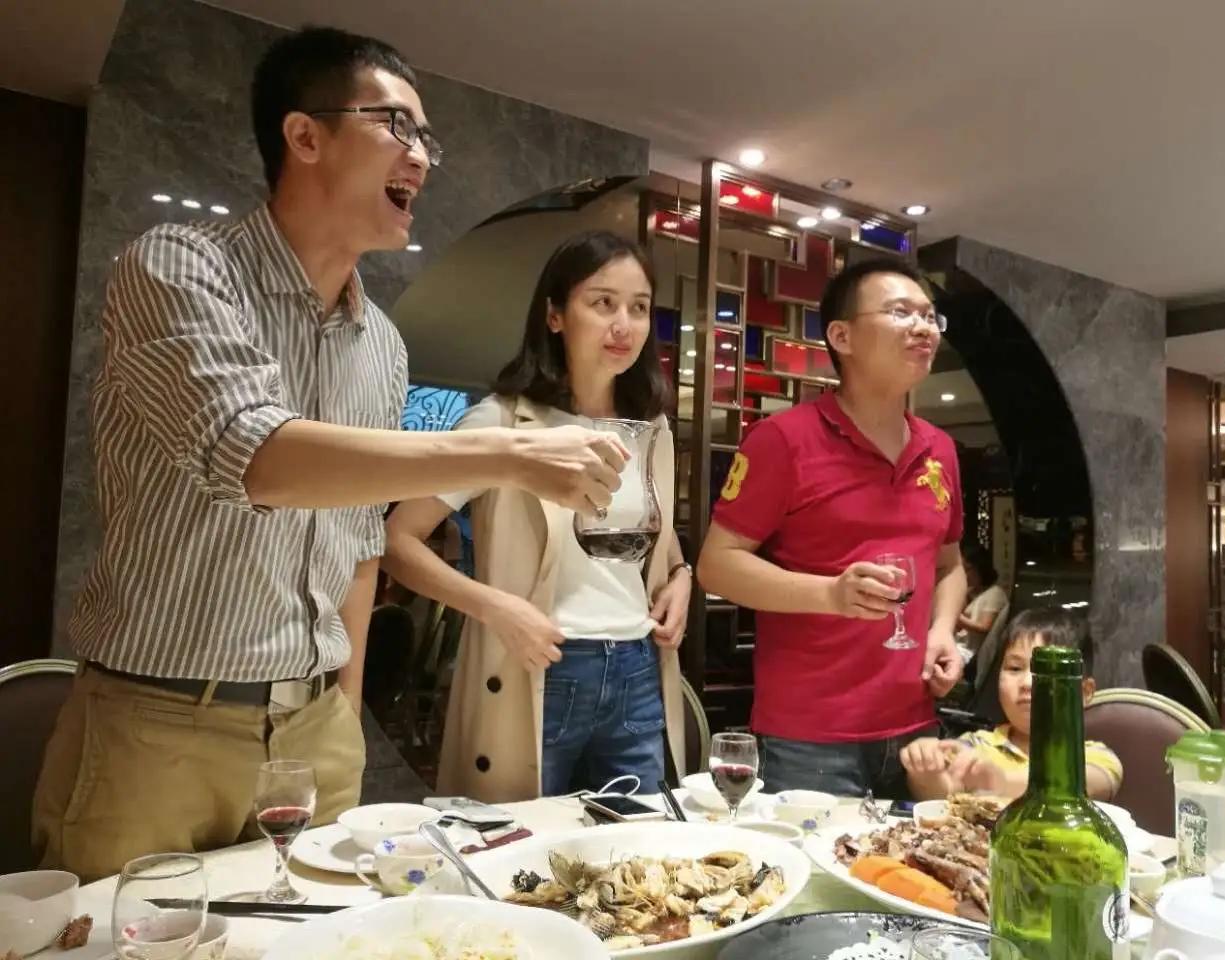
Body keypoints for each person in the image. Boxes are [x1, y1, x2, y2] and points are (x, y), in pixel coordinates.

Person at [32, 28, 628, 881]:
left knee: (311, 932)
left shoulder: (380, 343)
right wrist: (506, 452)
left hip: (314, 727)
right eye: (397, 126)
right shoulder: (179, 267)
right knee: (126, 931)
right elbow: (259, 459)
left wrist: (342, 711)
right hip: (157, 719)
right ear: (304, 135)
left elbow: (357, 545)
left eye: (429, 139)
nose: (421, 157)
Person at [383, 231, 690, 801]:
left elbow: (655, 538)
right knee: (523, 843)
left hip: (637, 665)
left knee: (634, 844)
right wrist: (495, 608)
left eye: (639, 308)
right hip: (541, 661)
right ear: (554, 315)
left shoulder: (651, 430)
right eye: (602, 303)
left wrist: (681, 577)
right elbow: (398, 541)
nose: (623, 325)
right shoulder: (503, 422)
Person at [697, 257, 966, 799]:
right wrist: (830, 594)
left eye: (929, 316)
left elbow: (949, 566)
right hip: (810, 737)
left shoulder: (939, 448)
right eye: (900, 312)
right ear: (842, 336)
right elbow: (716, 566)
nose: (922, 328)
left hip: (916, 728)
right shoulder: (783, 440)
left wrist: (942, 632)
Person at [900, 607, 1123, 801]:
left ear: (1084, 692)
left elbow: (1084, 783)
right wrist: (926, 773)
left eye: (1046, 671)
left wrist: (1001, 781)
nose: (1027, 683)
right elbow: (944, 794)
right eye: (1015, 668)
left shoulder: (1093, 756)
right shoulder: (975, 745)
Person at [954, 544, 1008, 664]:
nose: (964, 574)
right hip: (959, 646)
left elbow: (984, 627)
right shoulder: (972, 592)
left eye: (968, 569)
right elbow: (959, 628)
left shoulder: (995, 593)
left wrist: (955, 616)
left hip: (968, 653)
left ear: (981, 568)